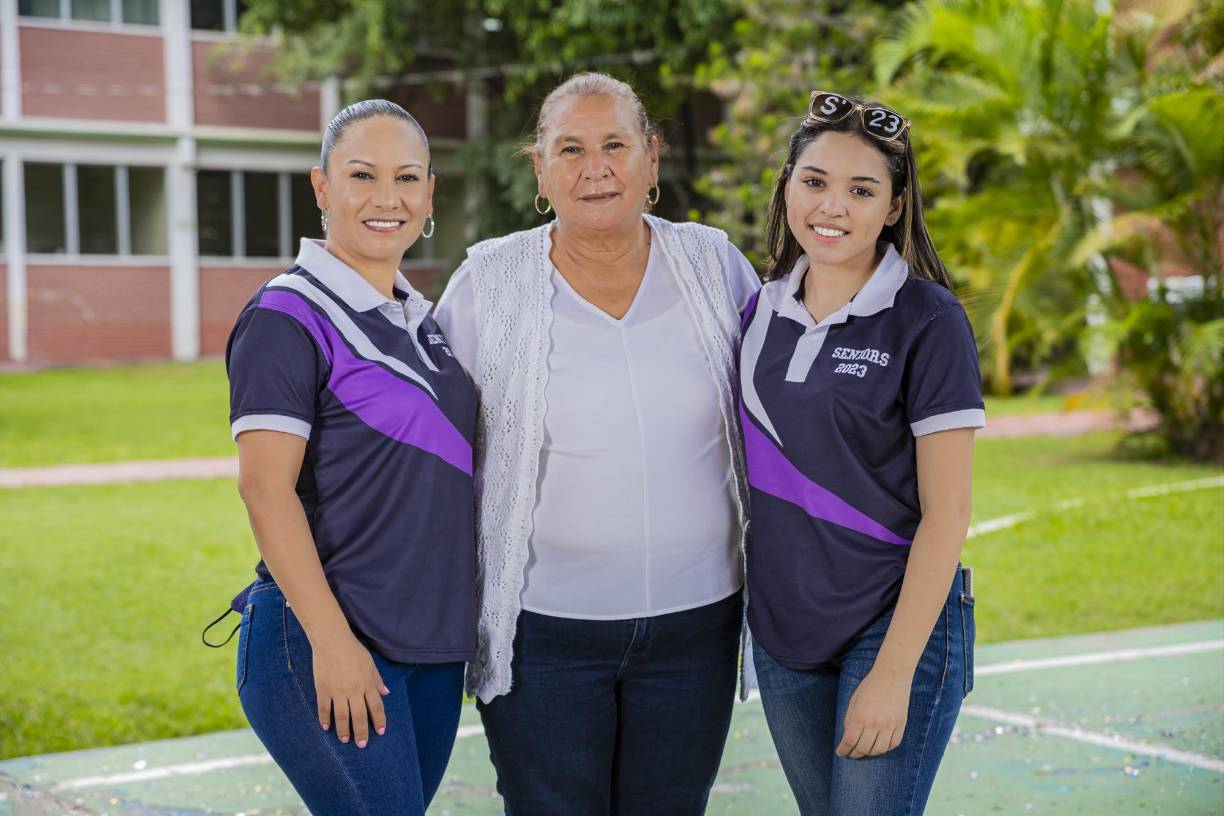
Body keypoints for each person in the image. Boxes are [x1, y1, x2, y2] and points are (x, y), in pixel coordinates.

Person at [433, 72, 759, 815]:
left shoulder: (716, 265)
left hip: (696, 626)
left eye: (615, 144)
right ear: (540, 170)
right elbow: (435, 450)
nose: (595, 167)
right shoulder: (488, 281)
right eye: (570, 149)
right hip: (543, 634)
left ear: (651, 158)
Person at [221, 99, 476, 815]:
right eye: (362, 175)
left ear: (429, 194)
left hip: (426, 646)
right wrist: (332, 645)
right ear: (322, 187)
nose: (386, 198)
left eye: (407, 177)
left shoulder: (424, 320)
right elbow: (264, 491)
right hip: (326, 640)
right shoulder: (286, 314)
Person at [740, 91, 983, 815]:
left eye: (861, 189)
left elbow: (949, 512)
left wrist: (894, 669)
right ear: (786, 187)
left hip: (893, 621)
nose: (831, 207)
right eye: (814, 182)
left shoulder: (927, 319)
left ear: (896, 205)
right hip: (784, 632)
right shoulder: (754, 311)